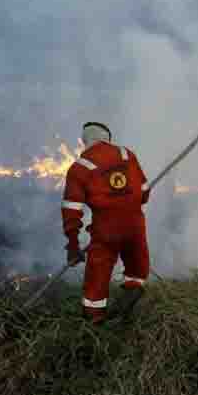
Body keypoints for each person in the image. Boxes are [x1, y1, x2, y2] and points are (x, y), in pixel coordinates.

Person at [61, 122, 151, 324]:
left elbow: (72, 210)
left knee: (97, 277)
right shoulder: (127, 155)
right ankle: (131, 295)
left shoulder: (79, 168)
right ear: (107, 138)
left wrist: (73, 245)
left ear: (85, 142)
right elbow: (144, 193)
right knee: (137, 269)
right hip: (135, 226)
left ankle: (94, 321)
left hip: (106, 231)